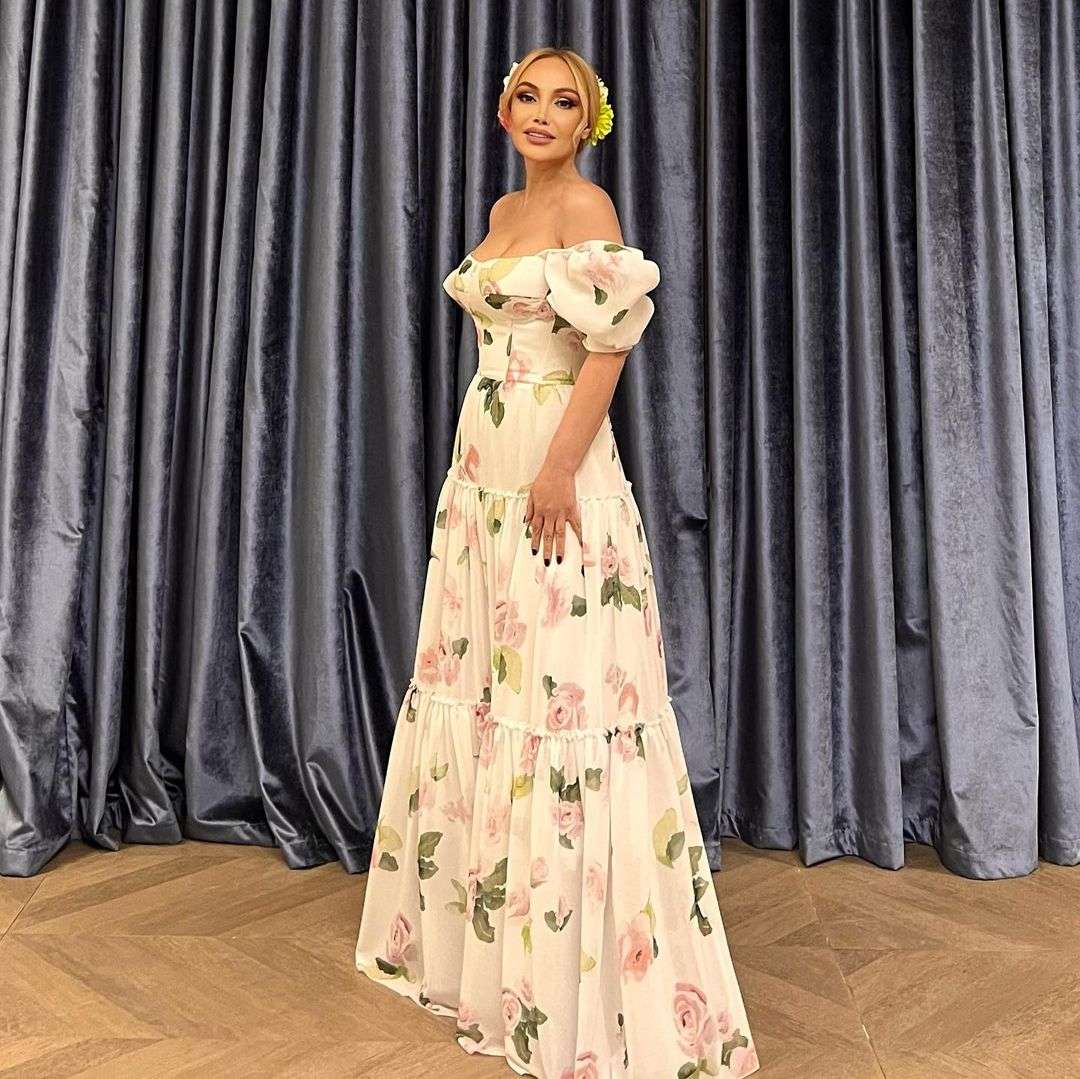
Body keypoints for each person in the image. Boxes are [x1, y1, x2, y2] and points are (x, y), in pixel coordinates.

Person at [355, 45, 760, 1079]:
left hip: (554, 475)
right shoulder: (503, 211)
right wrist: (496, 477)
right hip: (482, 479)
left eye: (564, 100)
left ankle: (582, 988)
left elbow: (608, 347)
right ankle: (496, 964)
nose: (543, 112)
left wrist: (556, 472)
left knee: (563, 697)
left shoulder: (586, 205)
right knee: (491, 692)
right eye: (528, 96)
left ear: (588, 122)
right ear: (505, 112)